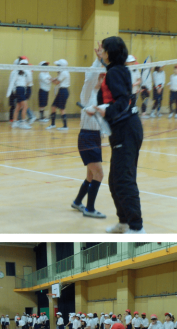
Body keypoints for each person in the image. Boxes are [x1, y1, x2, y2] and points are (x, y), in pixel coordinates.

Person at [87, 37, 145, 234]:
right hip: (120, 130)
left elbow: (123, 102)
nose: (100, 51)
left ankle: (137, 228)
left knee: (124, 180)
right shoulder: (115, 70)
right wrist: (98, 108)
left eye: (103, 49)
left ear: (110, 52)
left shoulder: (115, 72)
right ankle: (124, 222)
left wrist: (106, 111)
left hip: (126, 129)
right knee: (115, 180)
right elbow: (113, 99)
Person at [71, 56, 107, 219]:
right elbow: (89, 77)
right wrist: (98, 61)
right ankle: (90, 209)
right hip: (87, 137)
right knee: (99, 174)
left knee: (91, 175)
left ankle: (78, 202)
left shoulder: (102, 97)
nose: (101, 79)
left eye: (103, 77)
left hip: (96, 138)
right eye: (100, 76)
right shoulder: (87, 94)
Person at [48, 59, 70, 131]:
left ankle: (65, 126)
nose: (56, 67)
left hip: (63, 91)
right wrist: (52, 79)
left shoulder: (64, 72)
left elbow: (57, 82)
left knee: (62, 109)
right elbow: (56, 79)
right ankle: (53, 124)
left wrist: (52, 81)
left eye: (58, 65)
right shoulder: (62, 72)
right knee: (53, 106)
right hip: (61, 91)